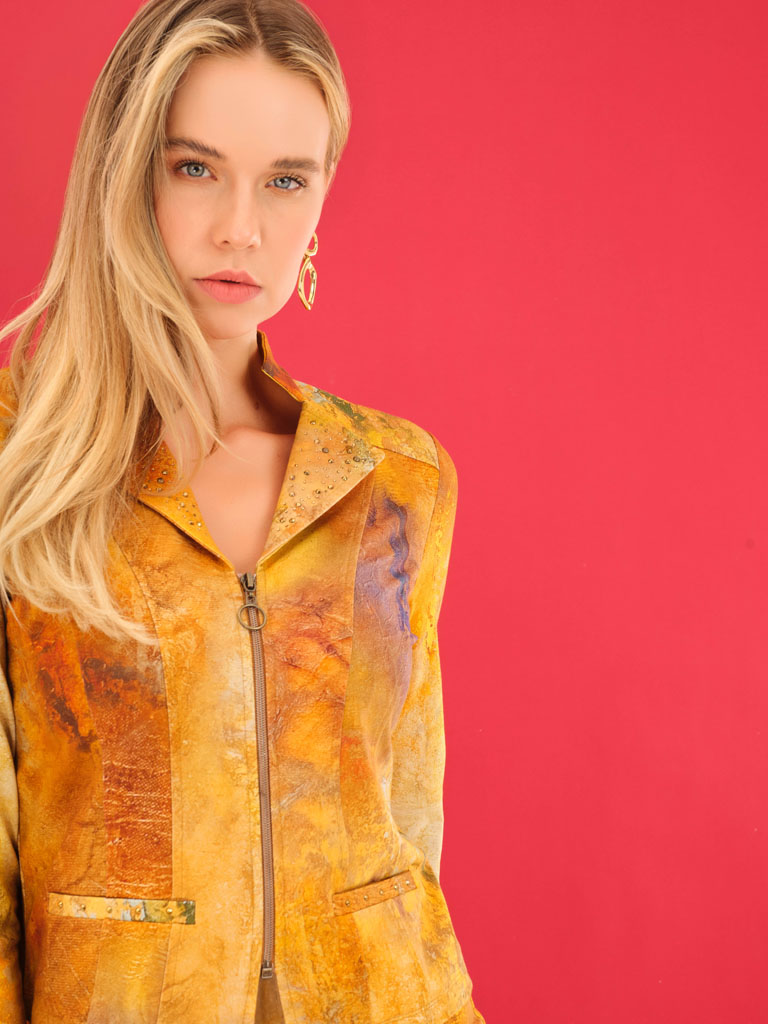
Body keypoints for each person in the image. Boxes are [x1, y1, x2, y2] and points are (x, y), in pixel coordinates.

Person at [0, 1, 486, 1021]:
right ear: (123, 174)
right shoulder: (20, 464)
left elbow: (408, 833)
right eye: (195, 168)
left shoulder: (394, 481)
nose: (240, 227)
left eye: (285, 180)